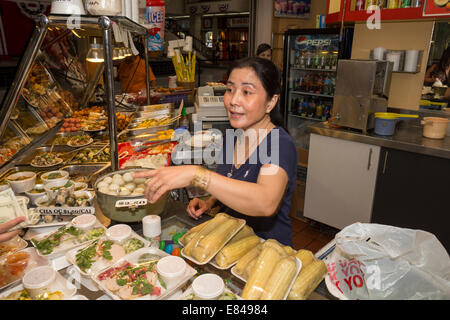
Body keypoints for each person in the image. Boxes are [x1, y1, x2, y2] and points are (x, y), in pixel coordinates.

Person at [134, 57, 297, 246]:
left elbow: (265, 202)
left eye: (246, 92)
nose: (233, 100)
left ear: (271, 102)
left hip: (267, 250)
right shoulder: (233, 135)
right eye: (230, 89)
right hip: (230, 240)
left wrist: (197, 174)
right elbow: (231, 180)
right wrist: (211, 202)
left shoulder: (279, 143)